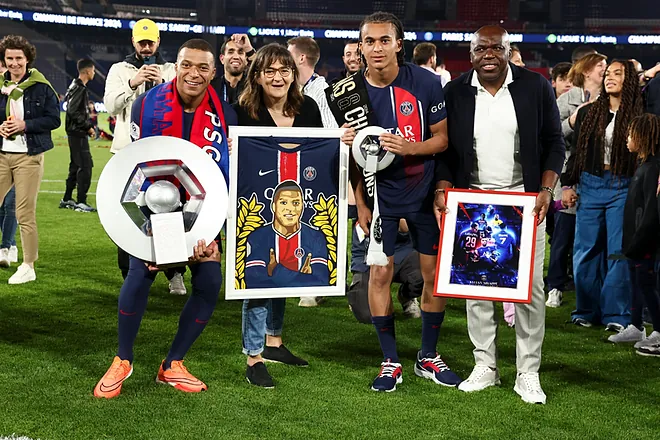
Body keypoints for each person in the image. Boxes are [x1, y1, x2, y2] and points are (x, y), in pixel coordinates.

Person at [94, 38, 236, 399]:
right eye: (187, 65)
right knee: (139, 273)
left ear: (213, 72)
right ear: (177, 66)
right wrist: (148, 229)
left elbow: (221, 175)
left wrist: (211, 226)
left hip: (201, 213)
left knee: (209, 281)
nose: (193, 73)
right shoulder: (146, 104)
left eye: (202, 67)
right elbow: (136, 166)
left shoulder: (225, 113)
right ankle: (123, 359)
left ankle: (173, 363)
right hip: (154, 206)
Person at [443, 25, 565, 404]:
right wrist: (443, 190)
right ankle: (486, 365)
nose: (489, 55)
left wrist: (546, 190)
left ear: (509, 51)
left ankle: (528, 371)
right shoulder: (455, 91)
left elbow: (554, 143)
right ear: (471, 54)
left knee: (530, 289)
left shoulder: (535, 86)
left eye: (497, 48)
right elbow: (446, 150)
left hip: (524, 200)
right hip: (473, 200)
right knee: (477, 287)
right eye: (482, 49)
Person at [341, 12, 461, 393]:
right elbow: (353, 158)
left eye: (383, 40)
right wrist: (361, 203)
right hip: (380, 198)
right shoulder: (348, 93)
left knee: (433, 275)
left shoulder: (426, 82)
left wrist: (410, 148)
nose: (376, 48)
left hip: (422, 194)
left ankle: (428, 356)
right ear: (361, 46)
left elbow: (442, 139)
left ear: (398, 44)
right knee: (379, 274)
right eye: (369, 41)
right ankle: (390, 360)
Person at [234, 43, 324, 388]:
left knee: (285, 268)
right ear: (256, 76)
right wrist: (230, 146)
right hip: (254, 205)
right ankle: (253, 357)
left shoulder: (308, 107)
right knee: (257, 278)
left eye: (284, 70)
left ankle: (273, 342)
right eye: (269, 71)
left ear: (293, 75)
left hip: (295, 202)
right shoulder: (241, 110)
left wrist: (341, 141)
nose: (277, 77)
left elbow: (321, 151)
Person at [103, 18, 185, 294]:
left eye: (151, 42)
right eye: (142, 42)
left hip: (165, 153)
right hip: (127, 155)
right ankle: (129, 274)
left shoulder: (171, 70)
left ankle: (174, 272)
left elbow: (183, 106)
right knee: (127, 213)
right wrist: (132, 83)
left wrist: (164, 85)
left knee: (170, 209)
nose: (146, 47)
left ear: (158, 41)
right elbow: (110, 106)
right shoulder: (119, 70)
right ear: (134, 42)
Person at [562, 60, 644, 331]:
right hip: (591, 184)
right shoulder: (589, 113)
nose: (609, 77)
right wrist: (568, 185)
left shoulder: (640, 115)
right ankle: (586, 311)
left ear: (629, 79)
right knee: (585, 250)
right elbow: (577, 153)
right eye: (607, 73)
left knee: (618, 251)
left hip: (623, 185)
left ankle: (616, 315)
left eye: (617, 74)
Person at [547, 53, 608, 308]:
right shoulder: (568, 98)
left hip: (597, 177)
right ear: (586, 71)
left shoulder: (609, 99)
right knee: (562, 235)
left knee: (593, 238)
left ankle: (592, 288)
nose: (605, 69)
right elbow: (553, 133)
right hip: (568, 175)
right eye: (600, 65)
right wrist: (574, 120)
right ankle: (554, 286)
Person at [0, 35, 60, 284]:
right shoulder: (1, 85)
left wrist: (25, 125)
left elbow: (54, 119)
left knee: (24, 213)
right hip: (2, 154)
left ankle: (28, 266)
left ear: (27, 59)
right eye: (9, 58)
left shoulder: (41, 86)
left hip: (28, 156)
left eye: (19, 58)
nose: (14, 63)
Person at [608, 114, 660, 352]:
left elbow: (650, 210)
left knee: (647, 285)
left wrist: (640, 241)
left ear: (642, 137)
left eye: (630, 134)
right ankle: (636, 325)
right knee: (636, 284)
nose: (627, 138)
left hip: (644, 243)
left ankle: (658, 331)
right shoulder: (643, 166)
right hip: (634, 241)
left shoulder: (653, 168)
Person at [245, 181, 329, 288]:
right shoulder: (257, 237)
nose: (290, 209)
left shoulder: (316, 237)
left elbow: (322, 281)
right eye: (284, 203)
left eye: (296, 203)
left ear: (302, 206)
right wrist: (303, 278)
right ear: (273, 206)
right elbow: (254, 281)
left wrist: (275, 270)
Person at [348, 219, 422, 323]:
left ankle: (406, 295)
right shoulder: (362, 209)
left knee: (426, 270)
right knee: (369, 315)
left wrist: (402, 221)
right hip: (368, 257)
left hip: (401, 252)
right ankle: (359, 288)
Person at [60, 58, 97, 213]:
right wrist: (88, 127)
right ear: (87, 71)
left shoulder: (73, 85)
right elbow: (73, 111)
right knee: (85, 166)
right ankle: (81, 201)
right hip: (78, 132)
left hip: (73, 131)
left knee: (75, 165)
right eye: (93, 70)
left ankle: (67, 198)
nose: (94, 73)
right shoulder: (80, 88)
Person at [210, 34, 255, 105]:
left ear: (246, 60)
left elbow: (264, 70)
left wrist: (249, 50)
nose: (236, 57)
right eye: (230, 52)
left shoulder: (254, 87)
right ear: (222, 59)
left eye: (240, 52)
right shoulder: (210, 88)